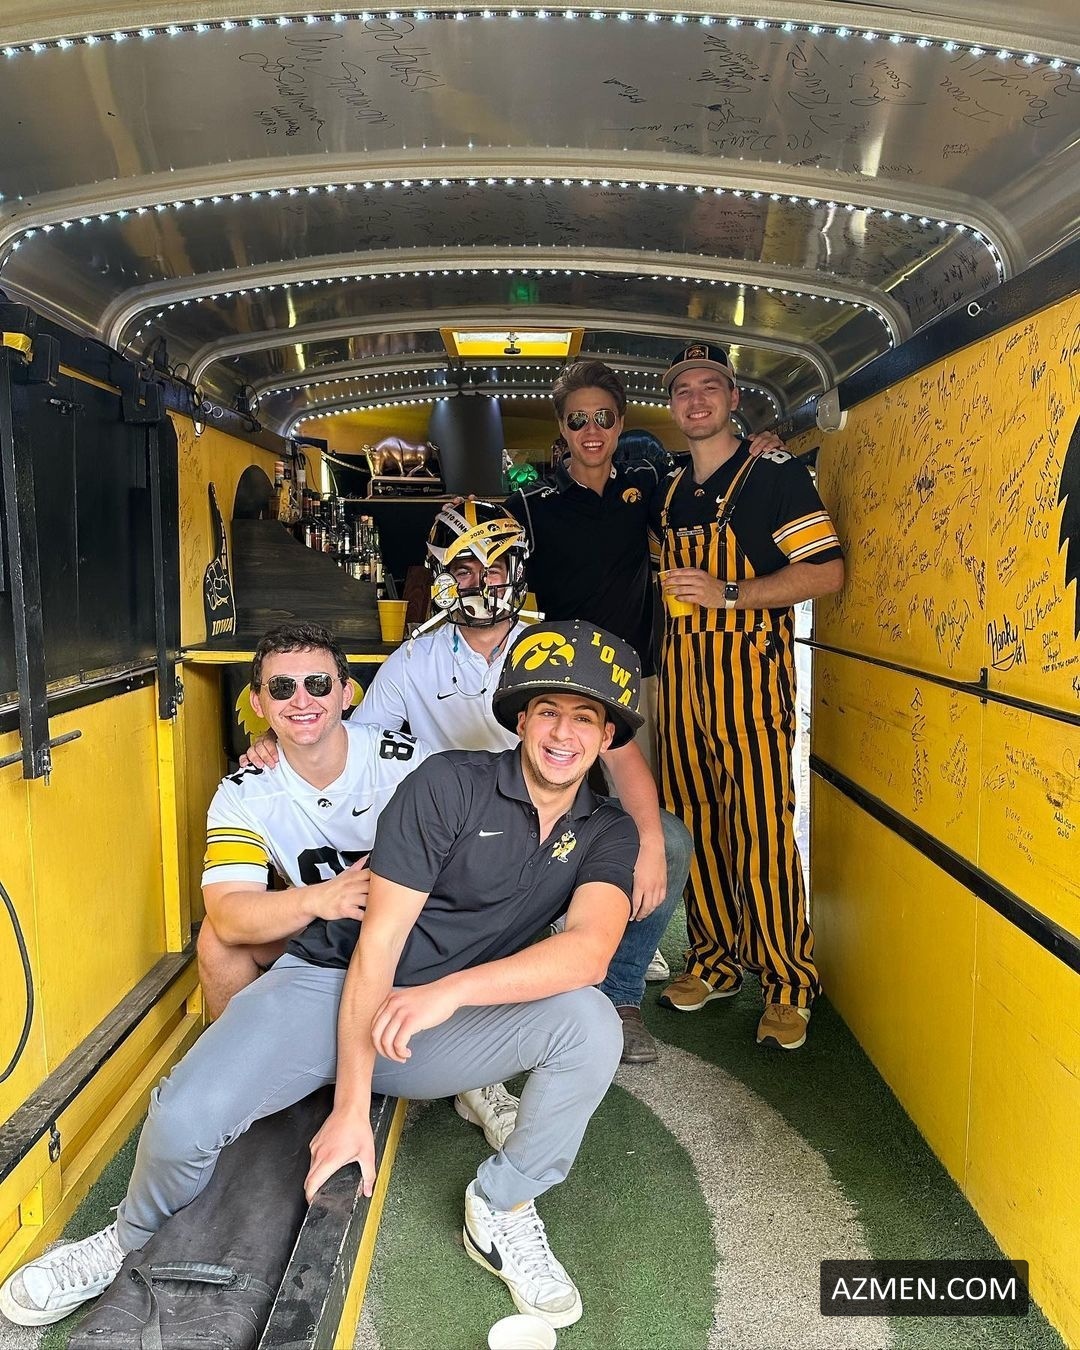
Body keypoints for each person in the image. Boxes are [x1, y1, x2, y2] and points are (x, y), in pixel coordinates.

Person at [0, 622, 647, 1333]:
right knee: (183, 1118)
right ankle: (125, 1237)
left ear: (608, 736)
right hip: (330, 981)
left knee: (589, 1022)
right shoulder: (447, 783)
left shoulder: (608, 830)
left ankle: (502, 1206)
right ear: (521, 721)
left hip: (430, 1021)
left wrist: (449, 993)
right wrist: (350, 1110)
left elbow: (588, 952)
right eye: (548, 712)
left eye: (584, 718)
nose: (562, 733)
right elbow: (378, 944)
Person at [0, 621, 431, 1328]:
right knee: (218, 945)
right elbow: (229, 913)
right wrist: (323, 898)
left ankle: (473, 1082)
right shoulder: (246, 787)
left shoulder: (406, 761)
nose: (301, 700)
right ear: (258, 703)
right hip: (319, 941)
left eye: (317, 684)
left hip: (408, 953)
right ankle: (238, 1087)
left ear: (347, 693)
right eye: (282, 688)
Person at [245, 501, 691, 1069]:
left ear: (516, 570)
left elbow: (622, 757)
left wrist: (647, 840)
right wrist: (280, 738)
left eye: (494, 568)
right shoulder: (412, 659)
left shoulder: (556, 646)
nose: (481, 583)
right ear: (442, 576)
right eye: (464, 570)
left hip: (558, 819)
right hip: (458, 834)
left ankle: (620, 995)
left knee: (669, 840)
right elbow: (353, 741)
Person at [651, 342, 845, 1050]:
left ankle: (788, 982)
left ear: (734, 399)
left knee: (762, 827)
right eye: (683, 390)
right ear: (672, 406)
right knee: (695, 825)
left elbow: (826, 572)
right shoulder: (669, 488)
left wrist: (730, 592)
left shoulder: (774, 474)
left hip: (750, 683)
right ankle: (714, 960)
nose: (696, 399)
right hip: (681, 685)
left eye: (710, 386)